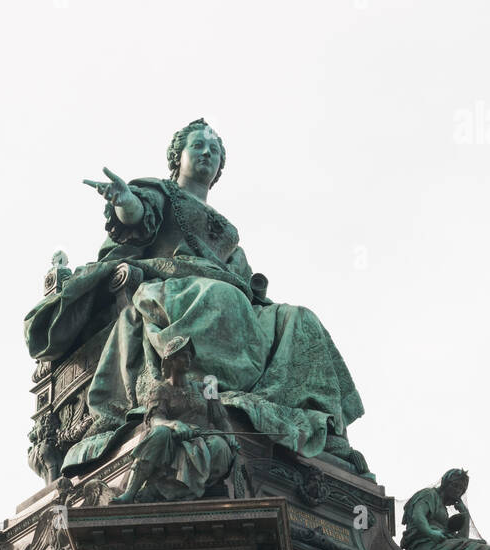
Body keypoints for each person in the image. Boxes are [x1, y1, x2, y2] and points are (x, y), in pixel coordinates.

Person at [24, 119, 368, 472]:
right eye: (198, 146)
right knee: (223, 298)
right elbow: (138, 216)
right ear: (178, 156)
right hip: (173, 283)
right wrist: (125, 201)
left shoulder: (226, 227)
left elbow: (242, 277)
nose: (208, 153)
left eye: (215, 150)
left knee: (300, 318)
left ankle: (320, 426)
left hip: (230, 293)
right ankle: (204, 401)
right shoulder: (160, 193)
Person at [115, 335, 238, 502]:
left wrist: (230, 437)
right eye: (183, 356)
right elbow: (154, 420)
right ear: (171, 360)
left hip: (204, 437)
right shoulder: (160, 390)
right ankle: (130, 492)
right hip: (174, 440)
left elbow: (221, 420)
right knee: (159, 433)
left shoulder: (206, 389)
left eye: (189, 356)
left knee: (219, 445)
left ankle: (184, 491)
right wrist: (173, 424)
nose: (188, 359)